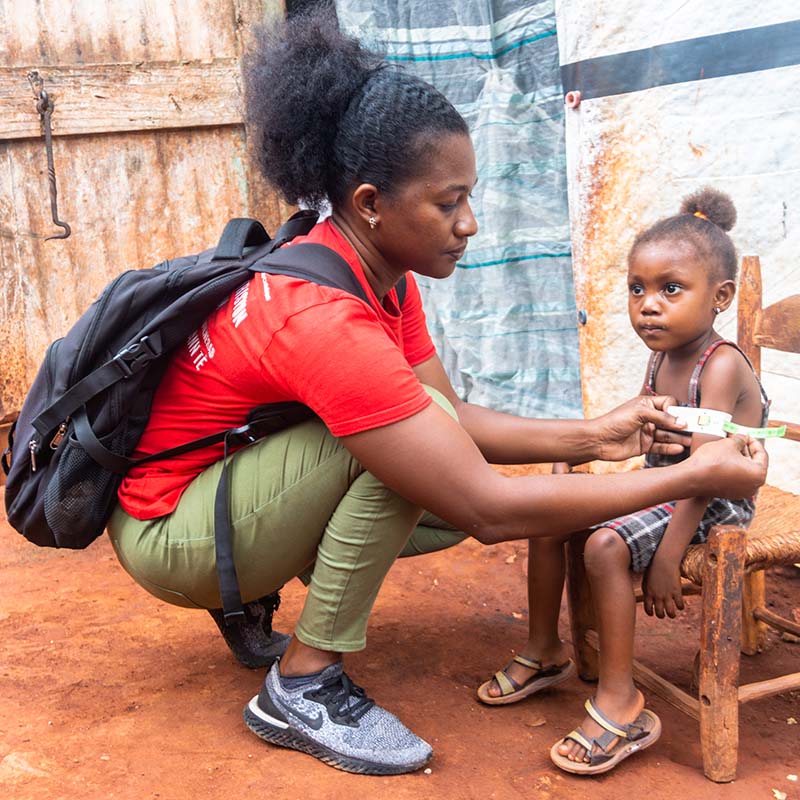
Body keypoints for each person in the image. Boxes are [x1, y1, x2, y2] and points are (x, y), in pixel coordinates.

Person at [106, 10, 767, 777]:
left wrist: (599, 434)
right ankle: (303, 683)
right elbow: (484, 508)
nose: (471, 223)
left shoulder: (371, 271)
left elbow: (455, 421)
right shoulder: (323, 315)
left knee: (423, 433)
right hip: (172, 536)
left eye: (469, 197)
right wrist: (692, 476)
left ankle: (261, 596)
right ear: (370, 203)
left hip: (218, 497)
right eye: (447, 203)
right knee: (405, 458)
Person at [477, 187, 769, 775]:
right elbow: (641, 434)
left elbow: (706, 475)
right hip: (668, 487)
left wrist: (664, 557)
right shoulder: (663, 356)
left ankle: (622, 702)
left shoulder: (721, 364)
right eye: (637, 289)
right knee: (551, 510)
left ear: (721, 298)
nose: (648, 306)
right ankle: (545, 649)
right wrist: (580, 454)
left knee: (606, 546)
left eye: (670, 289)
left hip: (713, 505)